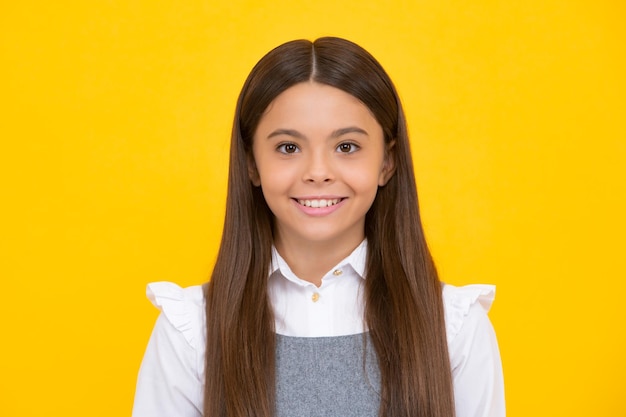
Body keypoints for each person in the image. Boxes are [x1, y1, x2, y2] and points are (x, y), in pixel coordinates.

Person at [132, 37, 505, 417]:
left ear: (387, 163)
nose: (318, 173)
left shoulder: (454, 327)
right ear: (251, 164)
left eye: (346, 146)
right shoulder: (191, 330)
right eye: (288, 148)